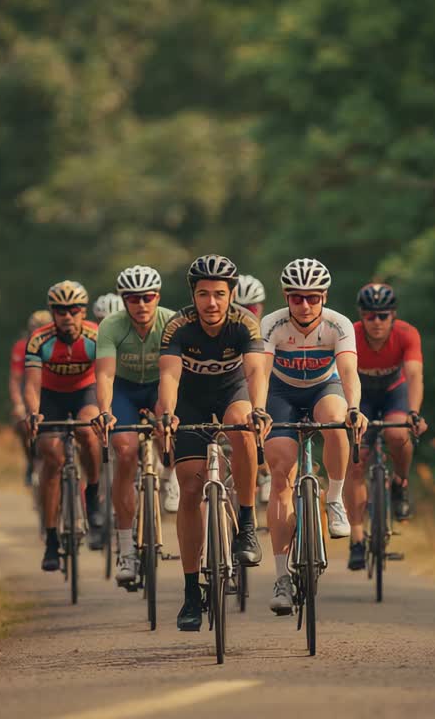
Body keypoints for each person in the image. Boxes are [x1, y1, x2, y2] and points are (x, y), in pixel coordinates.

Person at [157, 255, 269, 631]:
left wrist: (261, 409)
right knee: (189, 487)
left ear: (231, 294)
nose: (212, 303)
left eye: (220, 294)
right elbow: (170, 377)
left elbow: (255, 370)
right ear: (193, 294)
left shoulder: (244, 322)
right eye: (203, 294)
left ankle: (248, 523)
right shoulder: (178, 326)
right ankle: (192, 593)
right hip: (189, 403)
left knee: (242, 425)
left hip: (232, 394)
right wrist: (169, 413)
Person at [259, 259, 367, 613]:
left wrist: (355, 408)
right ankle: (280, 578)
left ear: (324, 297)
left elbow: (349, 371)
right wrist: (258, 409)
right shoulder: (271, 323)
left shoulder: (339, 324)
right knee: (280, 476)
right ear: (286, 297)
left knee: (338, 420)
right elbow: (259, 373)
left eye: (312, 298)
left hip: (325, 388)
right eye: (296, 298)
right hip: (282, 393)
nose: (304, 306)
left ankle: (334, 500)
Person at [93, 265, 179, 588]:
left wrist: (167, 410)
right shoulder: (111, 326)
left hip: (161, 383)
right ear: (123, 300)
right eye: (132, 298)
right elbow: (104, 375)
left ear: (157, 297)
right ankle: (127, 550)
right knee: (126, 452)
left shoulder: (171, 322)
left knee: (166, 427)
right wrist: (104, 411)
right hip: (126, 391)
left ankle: (169, 475)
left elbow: (173, 373)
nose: (141, 305)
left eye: (147, 297)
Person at [345, 282, 428, 570]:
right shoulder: (350, 335)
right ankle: (356, 538)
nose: (376, 322)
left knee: (397, 433)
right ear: (361, 315)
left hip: (395, 392)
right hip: (362, 397)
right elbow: (339, 374)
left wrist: (414, 413)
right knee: (356, 462)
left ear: (393, 316)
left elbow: (415, 374)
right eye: (370, 316)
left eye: (383, 316)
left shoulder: (407, 334)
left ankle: (400, 483)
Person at [24, 280, 105, 571]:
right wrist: (33, 413)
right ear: (52, 312)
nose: (67, 316)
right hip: (52, 397)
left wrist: (105, 411)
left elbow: (106, 378)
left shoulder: (97, 337)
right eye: (60, 310)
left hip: (86, 393)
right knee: (51, 456)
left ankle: (93, 494)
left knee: (87, 429)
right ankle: (50, 540)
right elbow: (32, 386)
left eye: (73, 310)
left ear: (83, 312)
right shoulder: (39, 340)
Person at [234, 273, 272, 503]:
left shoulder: (269, 331)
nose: (246, 314)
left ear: (261, 308)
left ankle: (265, 471)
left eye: (252, 309)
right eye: (240, 308)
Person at [11, 310, 52, 486]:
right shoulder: (22, 347)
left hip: (51, 391)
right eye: (36, 328)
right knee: (23, 424)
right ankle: (31, 459)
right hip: (30, 391)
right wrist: (18, 403)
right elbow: (16, 379)